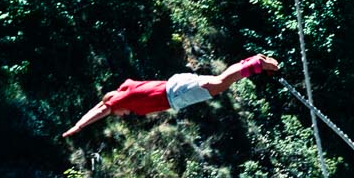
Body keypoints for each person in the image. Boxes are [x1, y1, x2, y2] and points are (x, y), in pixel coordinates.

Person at [62, 54, 280, 137]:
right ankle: (254, 63)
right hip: (176, 84)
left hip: (176, 94)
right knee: (219, 82)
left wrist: (79, 126)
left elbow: (100, 109)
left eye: (116, 114)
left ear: (113, 103)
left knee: (220, 83)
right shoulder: (126, 89)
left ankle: (256, 64)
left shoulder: (121, 99)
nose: (120, 115)